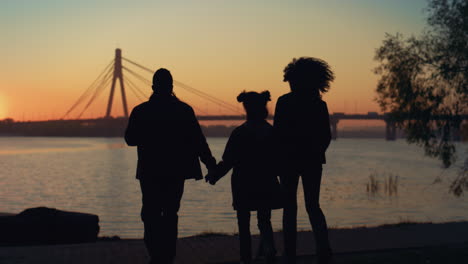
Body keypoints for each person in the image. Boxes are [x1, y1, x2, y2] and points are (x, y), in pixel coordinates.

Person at [124, 68, 216, 264]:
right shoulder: (184, 110)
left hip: (150, 171)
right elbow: (198, 141)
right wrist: (210, 164)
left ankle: (156, 255)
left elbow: (130, 139)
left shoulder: (141, 111)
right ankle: (168, 255)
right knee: (170, 213)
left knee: (150, 213)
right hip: (176, 172)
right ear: (171, 87)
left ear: (152, 87)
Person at [206, 91, 282, 264]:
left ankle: (245, 258)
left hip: (243, 183)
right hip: (266, 181)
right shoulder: (271, 132)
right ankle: (269, 249)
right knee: (264, 220)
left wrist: (214, 175)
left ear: (247, 109)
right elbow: (279, 158)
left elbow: (228, 161)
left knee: (243, 223)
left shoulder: (239, 133)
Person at [274, 57, 334, 264]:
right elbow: (326, 136)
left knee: (289, 207)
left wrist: (278, 159)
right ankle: (323, 251)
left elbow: (278, 135)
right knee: (313, 206)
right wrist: (315, 152)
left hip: (288, 161)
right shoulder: (319, 104)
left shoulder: (284, 102)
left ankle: (289, 254)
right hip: (312, 161)